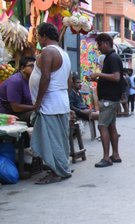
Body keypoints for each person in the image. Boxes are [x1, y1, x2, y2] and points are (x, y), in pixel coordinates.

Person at [28, 23, 72, 185]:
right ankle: (61, 167)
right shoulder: (63, 54)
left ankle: (56, 172)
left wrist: (38, 102)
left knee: (50, 140)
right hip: (59, 102)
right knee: (59, 139)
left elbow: (45, 78)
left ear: (44, 36)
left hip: (49, 104)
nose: (38, 39)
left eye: (38, 36)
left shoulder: (47, 52)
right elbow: (69, 81)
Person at [89, 32, 124, 168]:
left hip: (109, 99)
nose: (98, 47)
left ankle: (106, 157)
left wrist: (98, 74)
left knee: (102, 126)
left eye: (99, 44)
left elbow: (116, 77)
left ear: (105, 43)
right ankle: (115, 155)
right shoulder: (111, 57)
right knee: (111, 126)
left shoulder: (113, 58)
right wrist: (99, 78)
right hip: (111, 98)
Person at [0, 56, 36, 125]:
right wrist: (35, 107)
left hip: (21, 112)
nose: (34, 69)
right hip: (9, 115)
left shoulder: (31, 80)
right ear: (22, 68)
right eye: (31, 66)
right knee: (37, 115)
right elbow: (16, 108)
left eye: (36, 66)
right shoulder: (15, 81)